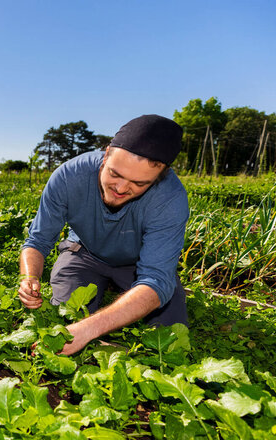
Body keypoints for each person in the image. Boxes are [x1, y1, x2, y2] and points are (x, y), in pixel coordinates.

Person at [19, 114, 188, 356]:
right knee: (64, 316)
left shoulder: (170, 199)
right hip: (84, 253)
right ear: (106, 154)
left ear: (159, 177)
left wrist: (88, 330)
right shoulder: (69, 176)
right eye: (115, 174)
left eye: (138, 183)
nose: (120, 189)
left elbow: (156, 281)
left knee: (171, 336)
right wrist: (28, 278)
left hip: (137, 263)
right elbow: (37, 240)